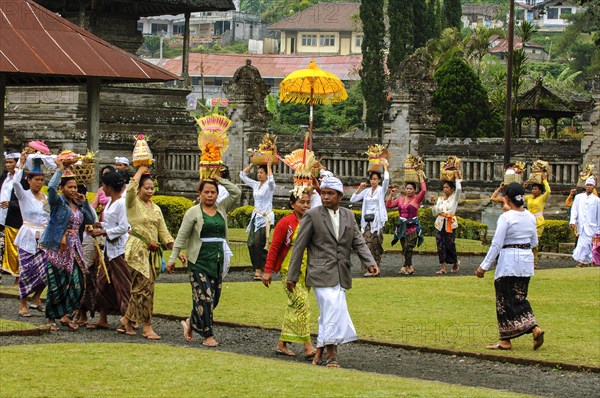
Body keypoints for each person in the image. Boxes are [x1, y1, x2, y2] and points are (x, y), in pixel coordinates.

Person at [287, 173, 379, 368]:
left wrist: (370, 262)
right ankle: (332, 356)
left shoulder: (348, 215)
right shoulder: (312, 215)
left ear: (340, 196)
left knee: (332, 312)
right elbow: (299, 247)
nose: (326, 197)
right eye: (323, 193)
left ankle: (318, 352)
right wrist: (292, 276)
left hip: (341, 273)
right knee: (331, 308)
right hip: (319, 273)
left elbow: (358, 242)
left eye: (330, 194)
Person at [167, 176, 240, 346]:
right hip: (198, 261)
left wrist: (220, 180)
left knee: (213, 299)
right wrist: (172, 259)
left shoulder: (221, 208)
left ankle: (190, 322)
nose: (209, 195)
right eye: (206, 192)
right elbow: (181, 237)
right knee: (204, 298)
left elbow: (236, 193)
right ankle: (208, 336)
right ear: (199, 193)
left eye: (213, 192)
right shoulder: (193, 212)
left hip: (217, 261)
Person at [476, 182, 545, 351]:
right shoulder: (529, 216)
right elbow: (534, 241)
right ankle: (513, 336)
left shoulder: (506, 218)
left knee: (504, 300)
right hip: (525, 260)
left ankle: (528, 330)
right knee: (518, 297)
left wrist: (484, 266)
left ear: (506, 198)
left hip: (509, 261)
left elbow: (496, 244)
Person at [120, 165, 178, 340]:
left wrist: (176, 251)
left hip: (152, 253)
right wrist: (140, 169)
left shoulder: (157, 208)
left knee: (142, 289)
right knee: (144, 289)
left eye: (152, 188)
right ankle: (147, 326)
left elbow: (164, 233)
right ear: (139, 189)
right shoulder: (132, 203)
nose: (150, 191)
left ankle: (127, 318)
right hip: (137, 250)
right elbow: (129, 189)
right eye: (146, 188)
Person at [40, 158, 96, 331]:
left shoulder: (77, 205)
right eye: (70, 187)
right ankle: (51, 317)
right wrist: (59, 170)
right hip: (59, 246)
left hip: (75, 247)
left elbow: (90, 220)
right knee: (57, 284)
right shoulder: (58, 203)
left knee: (78, 282)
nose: (73, 190)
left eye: (75, 187)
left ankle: (67, 315)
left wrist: (84, 201)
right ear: (62, 188)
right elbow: (50, 188)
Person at [262, 191, 317, 358]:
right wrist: (267, 270)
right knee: (302, 305)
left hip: (307, 271)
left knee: (295, 307)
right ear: (293, 204)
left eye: (308, 202)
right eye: (302, 202)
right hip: (288, 270)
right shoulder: (286, 222)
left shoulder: (312, 221)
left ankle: (282, 344)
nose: (306, 205)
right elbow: (275, 247)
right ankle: (308, 346)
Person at [88, 171, 131, 329]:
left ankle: (129, 321)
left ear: (110, 187)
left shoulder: (121, 203)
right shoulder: (111, 203)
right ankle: (102, 317)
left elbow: (124, 227)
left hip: (119, 250)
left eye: (104, 185)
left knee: (123, 285)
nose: (102, 188)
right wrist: (100, 226)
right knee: (102, 283)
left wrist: (103, 232)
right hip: (109, 249)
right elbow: (112, 224)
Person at [13, 154, 49, 317]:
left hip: (43, 237)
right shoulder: (24, 195)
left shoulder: (45, 198)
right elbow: (15, 183)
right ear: (29, 180)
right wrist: (20, 165)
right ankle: (22, 303)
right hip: (27, 236)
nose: (40, 183)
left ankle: (36, 298)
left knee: (46, 270)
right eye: (37, 180)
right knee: (26, 270)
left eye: (42, 180)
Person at [350, 159, 390, 277]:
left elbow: (387, 181)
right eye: (371, 179)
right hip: (366, 220)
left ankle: (376, 265)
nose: (373, 181)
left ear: (379, 180)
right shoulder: (366, 191)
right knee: (366, 244)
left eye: (375, 179)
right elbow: (353, 199)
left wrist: (386, 167)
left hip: (377, 221)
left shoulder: (381, 191)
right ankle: (369, 268)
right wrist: (359, 188)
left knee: (376, 243)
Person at [386, 170, 427, 275]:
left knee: (409, 246)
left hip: (412, 226)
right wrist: (391, 194)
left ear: (414, 190)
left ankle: (404, 266)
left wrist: (421, 177)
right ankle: (410, 266)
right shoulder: (400, 199)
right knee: (404, 247)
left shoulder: (416, 199)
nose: (408, 190)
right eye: (407, 188)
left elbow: (423, 191)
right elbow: (388, 205)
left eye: (411, 189)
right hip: (402, 226)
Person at [240, 160, 275, 281]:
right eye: (258, 173)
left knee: (259, 243)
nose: (259, 175)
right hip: (256, 216)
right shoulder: (255, 184)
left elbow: (271, 181)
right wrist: (252, 164)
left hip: (266, 218)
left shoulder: (269, 186)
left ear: (266, 174)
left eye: (261, 173)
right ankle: (260, 267)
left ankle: (260, 270)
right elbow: (242, 176)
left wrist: (269, 166)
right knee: (250, 243)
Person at [0, 152, 28, 278]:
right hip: (2, 214)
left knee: (14, 244)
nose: (8, 165)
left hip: (15, 215)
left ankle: (16, 270)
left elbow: (25, 198)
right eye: (6, 162)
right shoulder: (4, 177)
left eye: (11, 162)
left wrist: (11, 204)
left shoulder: (23, 179)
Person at [432, 170, 462, 274]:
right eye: (444, 187)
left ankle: (455, 261)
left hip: (450, 223)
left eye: (447, 187)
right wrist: (434, 205)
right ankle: (443, 267)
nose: (445, 189)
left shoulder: (455, 198)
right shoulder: (440, 199)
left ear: (451, 189)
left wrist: (458, 178)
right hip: (440, 223)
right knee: (440, 244)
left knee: (450, 244)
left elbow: (459, 190)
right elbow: (435, 212)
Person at [570, 177, 600, 267]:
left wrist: (598, 229)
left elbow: (598, 215)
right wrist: (572, 221)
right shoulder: (579, 197)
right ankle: (582, 262)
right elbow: (574, 210)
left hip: (592, 226)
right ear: (585, 186)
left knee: (590, 245)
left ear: (594, 187)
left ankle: (587, 262)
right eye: (587, 185)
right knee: (583, 244)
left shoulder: (597, 200)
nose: (589, 187)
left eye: (591, 185)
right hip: (582, 226)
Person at [524, 177, 551, 269]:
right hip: (528, 222)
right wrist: (523, 187)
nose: (533, 190)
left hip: (538, 222)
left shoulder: (542, 198)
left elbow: (548, 191)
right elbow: (518, 197)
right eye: (533, 189)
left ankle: (534, 262)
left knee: (535, 243)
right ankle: (528, 261)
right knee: (527, 242)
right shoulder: (529, 198)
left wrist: (544, 180)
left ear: (540, 191)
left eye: (536, 189)